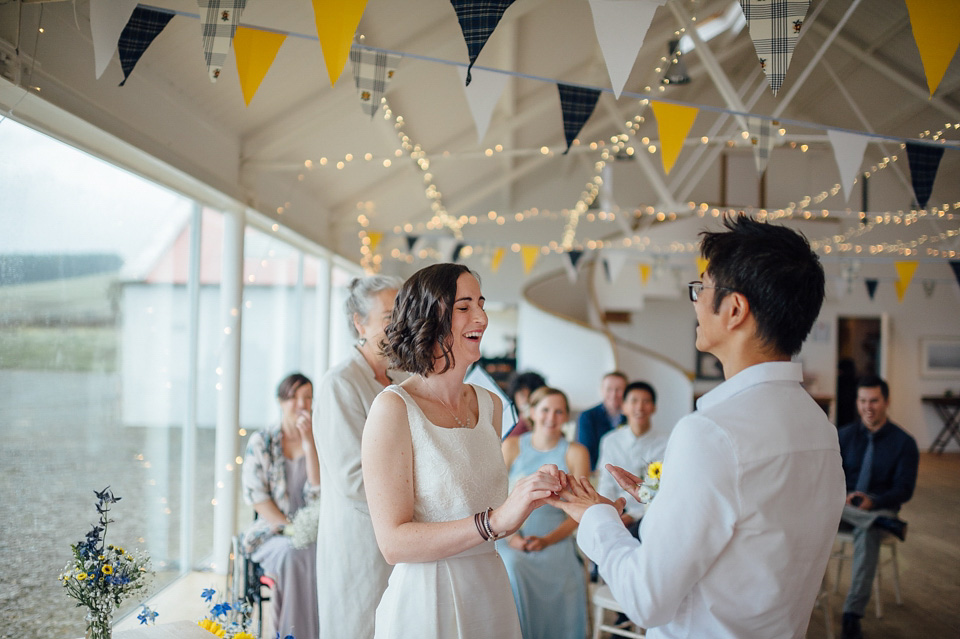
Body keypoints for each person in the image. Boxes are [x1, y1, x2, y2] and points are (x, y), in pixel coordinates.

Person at [547, 215, 846, 638]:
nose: (695, 302)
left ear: (735, 309)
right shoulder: (819, 427)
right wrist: (667, 499)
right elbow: (755, 535)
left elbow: (645, 599)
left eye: (701, 289)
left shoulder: (710, 433)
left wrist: (597, 517)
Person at [361, 263, 563, 639]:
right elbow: (393, 543)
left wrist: (534, 496)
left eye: (481, 304)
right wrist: (495, 521)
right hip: (427, 602)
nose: (482, 318)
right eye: (465, 306)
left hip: (490, 593)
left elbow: (494, 517)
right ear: (430, 317)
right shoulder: (393, 409)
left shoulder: (492, 406)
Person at [314, 274, 403, 639]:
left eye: (402, 313)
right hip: (360, 541)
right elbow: (353, 479)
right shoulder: (340, 383)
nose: (399, 324)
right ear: (359, 323)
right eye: (387, 316)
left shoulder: (401, 376)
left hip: (401, 539)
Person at [497, 387, 590, 639]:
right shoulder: (512, 446)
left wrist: (548, 540)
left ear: (566, 417)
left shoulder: (575, 452)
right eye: (545, 409)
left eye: (559, 411)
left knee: (565, 572)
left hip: (556, 537)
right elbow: (494, 497)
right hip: (511, 535)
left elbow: (582, 510)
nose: (551, 417)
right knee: (512, 566)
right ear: (532, 413)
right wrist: (510, 537)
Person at [837, 375, 919, 639]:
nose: (867, 407)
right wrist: (843, 496)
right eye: (862, 401)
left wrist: (875, 502)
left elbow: (904, 490)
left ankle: (852, 616)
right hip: (843, 508)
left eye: (874, 401)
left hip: (881, 508)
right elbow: (827, 477)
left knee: (868, 532)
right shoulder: (844, 436)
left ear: (887, 402)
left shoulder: (904, 443)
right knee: (814, 510)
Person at [241, 373, 320, 639]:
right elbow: (258, 498)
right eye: (293, 397)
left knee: (322, 552)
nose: (301, 403)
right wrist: (291, 529)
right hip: (272, 532)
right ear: (280, 401)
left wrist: (309, 444)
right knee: (292, 553)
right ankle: (290, 634)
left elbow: (319, 493)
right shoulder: (261, 442)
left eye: (307, 397)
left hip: (313, 530)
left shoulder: (317, 439)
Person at [596, 381, 668, 539]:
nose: (640, 407)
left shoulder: (667, 442)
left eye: (646, 401)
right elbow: (606, 483)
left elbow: (665, 489)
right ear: (623, 406)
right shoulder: (610, 440)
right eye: (634, 401)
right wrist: (611, 513)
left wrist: (634, 515)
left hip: (650, 515)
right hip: (615, 513)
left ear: (654, 407)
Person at [577, 371, 628, 471]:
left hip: (626, 472)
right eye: (609, 389)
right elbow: (586, 452)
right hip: (596, 473)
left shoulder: (632, 417)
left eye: (619, 389)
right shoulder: (587, 416)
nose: (613, 394)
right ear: (601, 390)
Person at [504, 370, 546, 438]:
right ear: (514, 395)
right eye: (522, 395)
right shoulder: (506, 419)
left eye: (530, 395)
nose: (526, 400)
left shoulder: (546, 420)